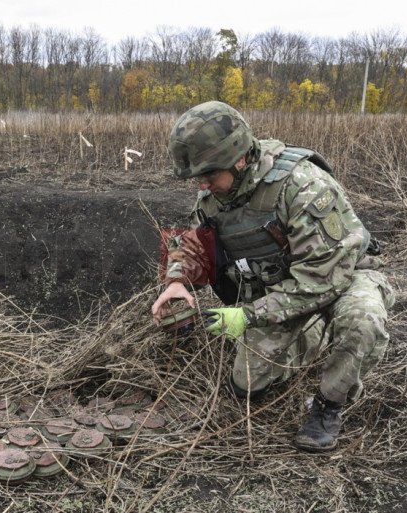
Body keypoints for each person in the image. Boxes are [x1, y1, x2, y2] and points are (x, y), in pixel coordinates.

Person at [151, 101, 394, 452]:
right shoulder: (217, 191)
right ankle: (312, 335)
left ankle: (328, 405)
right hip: (282, 291)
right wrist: (177, 283)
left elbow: (321, 280)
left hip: (343, 279)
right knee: (247, 385)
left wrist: (248, 315)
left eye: (208, 175)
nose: (201, 184)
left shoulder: (302, 185)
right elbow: (195, 242)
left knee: (362, 321)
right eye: (197, 177)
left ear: (238, 159)